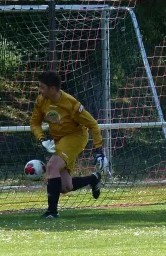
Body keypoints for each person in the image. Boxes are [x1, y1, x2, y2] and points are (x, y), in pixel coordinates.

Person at [30, 71, 109, 219]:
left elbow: (92, 124)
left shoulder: (71, 104)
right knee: (65, 187)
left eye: (41, 87)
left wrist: (99, 150)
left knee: (52, 166)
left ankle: (51, 212)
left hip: (76, 137)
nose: (39, 90)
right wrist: (42, 139)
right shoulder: (41, 100)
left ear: (52, 89)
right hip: (59, 140)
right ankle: (93, 178)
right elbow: (34, 122)